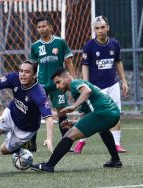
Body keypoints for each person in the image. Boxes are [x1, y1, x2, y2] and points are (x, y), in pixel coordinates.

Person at [0, 60, 54, 175]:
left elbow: (49, 118)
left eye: (27, 72)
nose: (22, 74)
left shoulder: (39, 93)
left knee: (3, 150)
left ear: (34, 75)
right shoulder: (14, 78)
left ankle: (24, 144)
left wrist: (49, 138)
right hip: (11, 113)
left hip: (26, 129)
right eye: (21, 71)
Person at [31, 68, 122, 172]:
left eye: (58, 82)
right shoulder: (77, 92)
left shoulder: (74, 83)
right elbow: (87, 114)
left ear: (67, 78)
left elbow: (87, 91)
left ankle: (49, 165)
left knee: (69, 135)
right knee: (103, 129)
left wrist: (74, 106)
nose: (57, 86)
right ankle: (115, 160)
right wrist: (74, 123)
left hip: (103, 113)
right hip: (113, 113)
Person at [74, 15, 129, 154]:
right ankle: (81, 142)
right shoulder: (89, 46)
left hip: (112, 85)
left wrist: (124, 81)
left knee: (115, 113)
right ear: (94, 30)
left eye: (103, 27)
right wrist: (86, 84)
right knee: (87, 114)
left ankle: (116, 144)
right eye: (97, 28)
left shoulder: (115, 44)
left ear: (108, 28)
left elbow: (118, 62)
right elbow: (85, 66)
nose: (100, 30)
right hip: (95, 87)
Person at [29, 16, 75, 152]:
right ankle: (32, 143)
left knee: (61, 112)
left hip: (58, 84)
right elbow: (32, 66)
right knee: (35, 112)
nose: (41, 29)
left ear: (50, 27)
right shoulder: (35, 46)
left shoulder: (60, 42)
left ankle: (65, 143)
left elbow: (69, 62)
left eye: (44, 26)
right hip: (41, 84)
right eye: (39, 27)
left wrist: (73, 80)